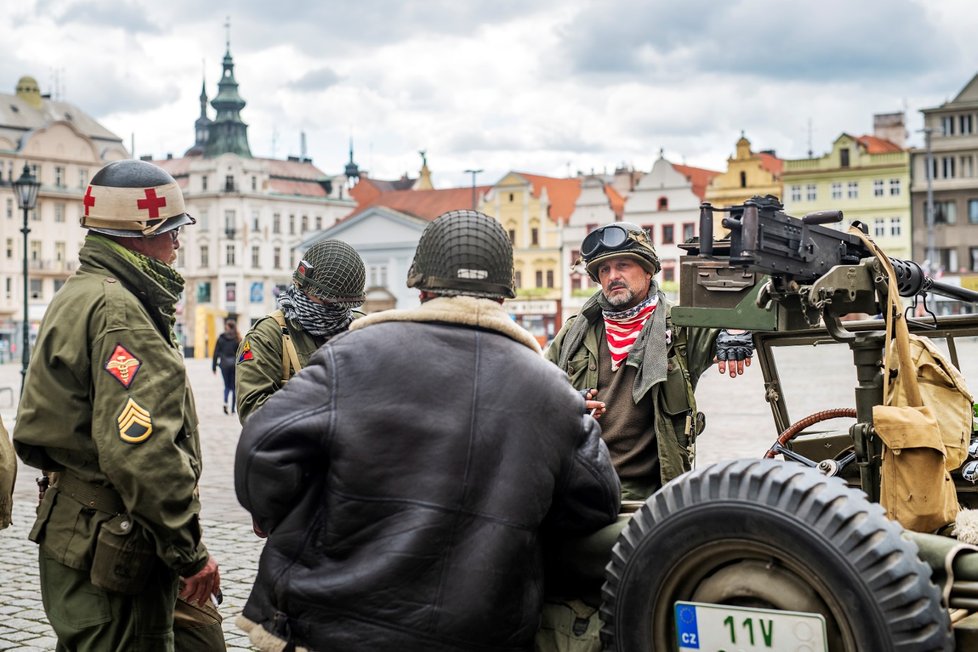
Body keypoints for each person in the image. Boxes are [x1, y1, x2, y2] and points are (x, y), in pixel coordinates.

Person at [234, 209, 621, 652]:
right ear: (504, 294)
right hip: (482, 627)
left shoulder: (351, 355)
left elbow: (260, 450)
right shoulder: (552, 390)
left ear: (419, 286)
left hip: (337, 623)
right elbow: (597, 505)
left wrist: (305, 511)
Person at [13, 159, 224, 650]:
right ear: (139, 233)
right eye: (170, 230)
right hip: (113, 538)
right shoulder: (120, 310)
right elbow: (142, 450)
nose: (177, 242)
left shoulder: (85, 291)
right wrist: (190, 553)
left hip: (81, 528)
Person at [546, 222, 753, 500]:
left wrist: (738, 328)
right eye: (604, 270)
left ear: (648, 270)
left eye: (622, 266)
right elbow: (536, 392)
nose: (612, 276)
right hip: (580, 487)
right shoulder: (575, 331)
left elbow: (748, 306)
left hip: (654, 492)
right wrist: (566, 405)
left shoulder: (681, 325)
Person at [235, 238, 366, 422]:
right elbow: (254, 411)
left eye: (341, 304)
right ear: (303, 286)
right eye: (327, 301)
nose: (334, 310)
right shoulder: (267, 336)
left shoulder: (361, 327)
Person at [212, 319, 241, 414]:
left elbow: (216, 353)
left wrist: (214, 367)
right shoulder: (238, 338)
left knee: (227, 386)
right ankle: (233, 409)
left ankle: (225, 402)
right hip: (234, 365)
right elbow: (241, 353)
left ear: (228, 327)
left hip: (224, 365)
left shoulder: (221, 338)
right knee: (234, 387)